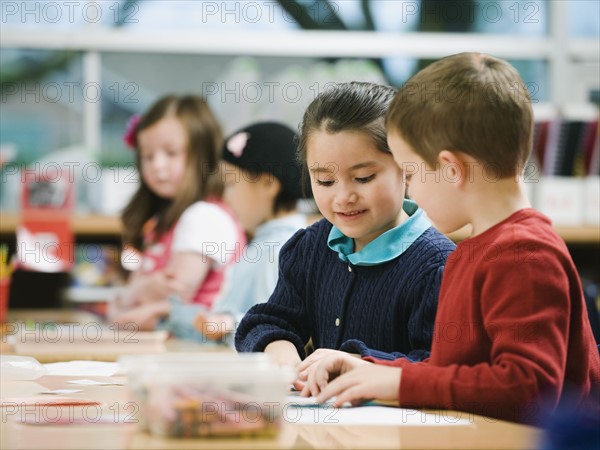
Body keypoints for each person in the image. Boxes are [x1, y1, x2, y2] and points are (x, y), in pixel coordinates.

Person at [301, 53, 600, 424]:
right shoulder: (474, 250)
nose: (411, 189)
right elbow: (454, 371)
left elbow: (528, 390)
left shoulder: (525, 254)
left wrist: (399, 384)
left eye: (411, 172)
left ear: (451, 169)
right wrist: (368, 367)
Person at [235, 82, 456, 369]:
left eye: (363, 178)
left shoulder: (436, 267)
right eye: (325, 181)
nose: (343, 197)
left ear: (407, 168)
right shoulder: (311, 247)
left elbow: (440, 366)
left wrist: (358, 364)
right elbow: (270, 320)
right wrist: (280, 351)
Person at [108, 95, 245, 331]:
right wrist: (135, 294)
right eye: (147, 156)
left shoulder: (204, 218)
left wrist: (128, 299)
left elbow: (170, 302)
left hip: (198, 354)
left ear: (203, 155)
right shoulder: (164, 220)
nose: (157, 165)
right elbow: (133, 302)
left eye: (171, 153)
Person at [170, 122, 309, 342]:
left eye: (232, 183)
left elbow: (281, 324)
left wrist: (231, 323)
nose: (227, 196)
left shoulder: (285, 249)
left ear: (267, 184)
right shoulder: (265, 243)